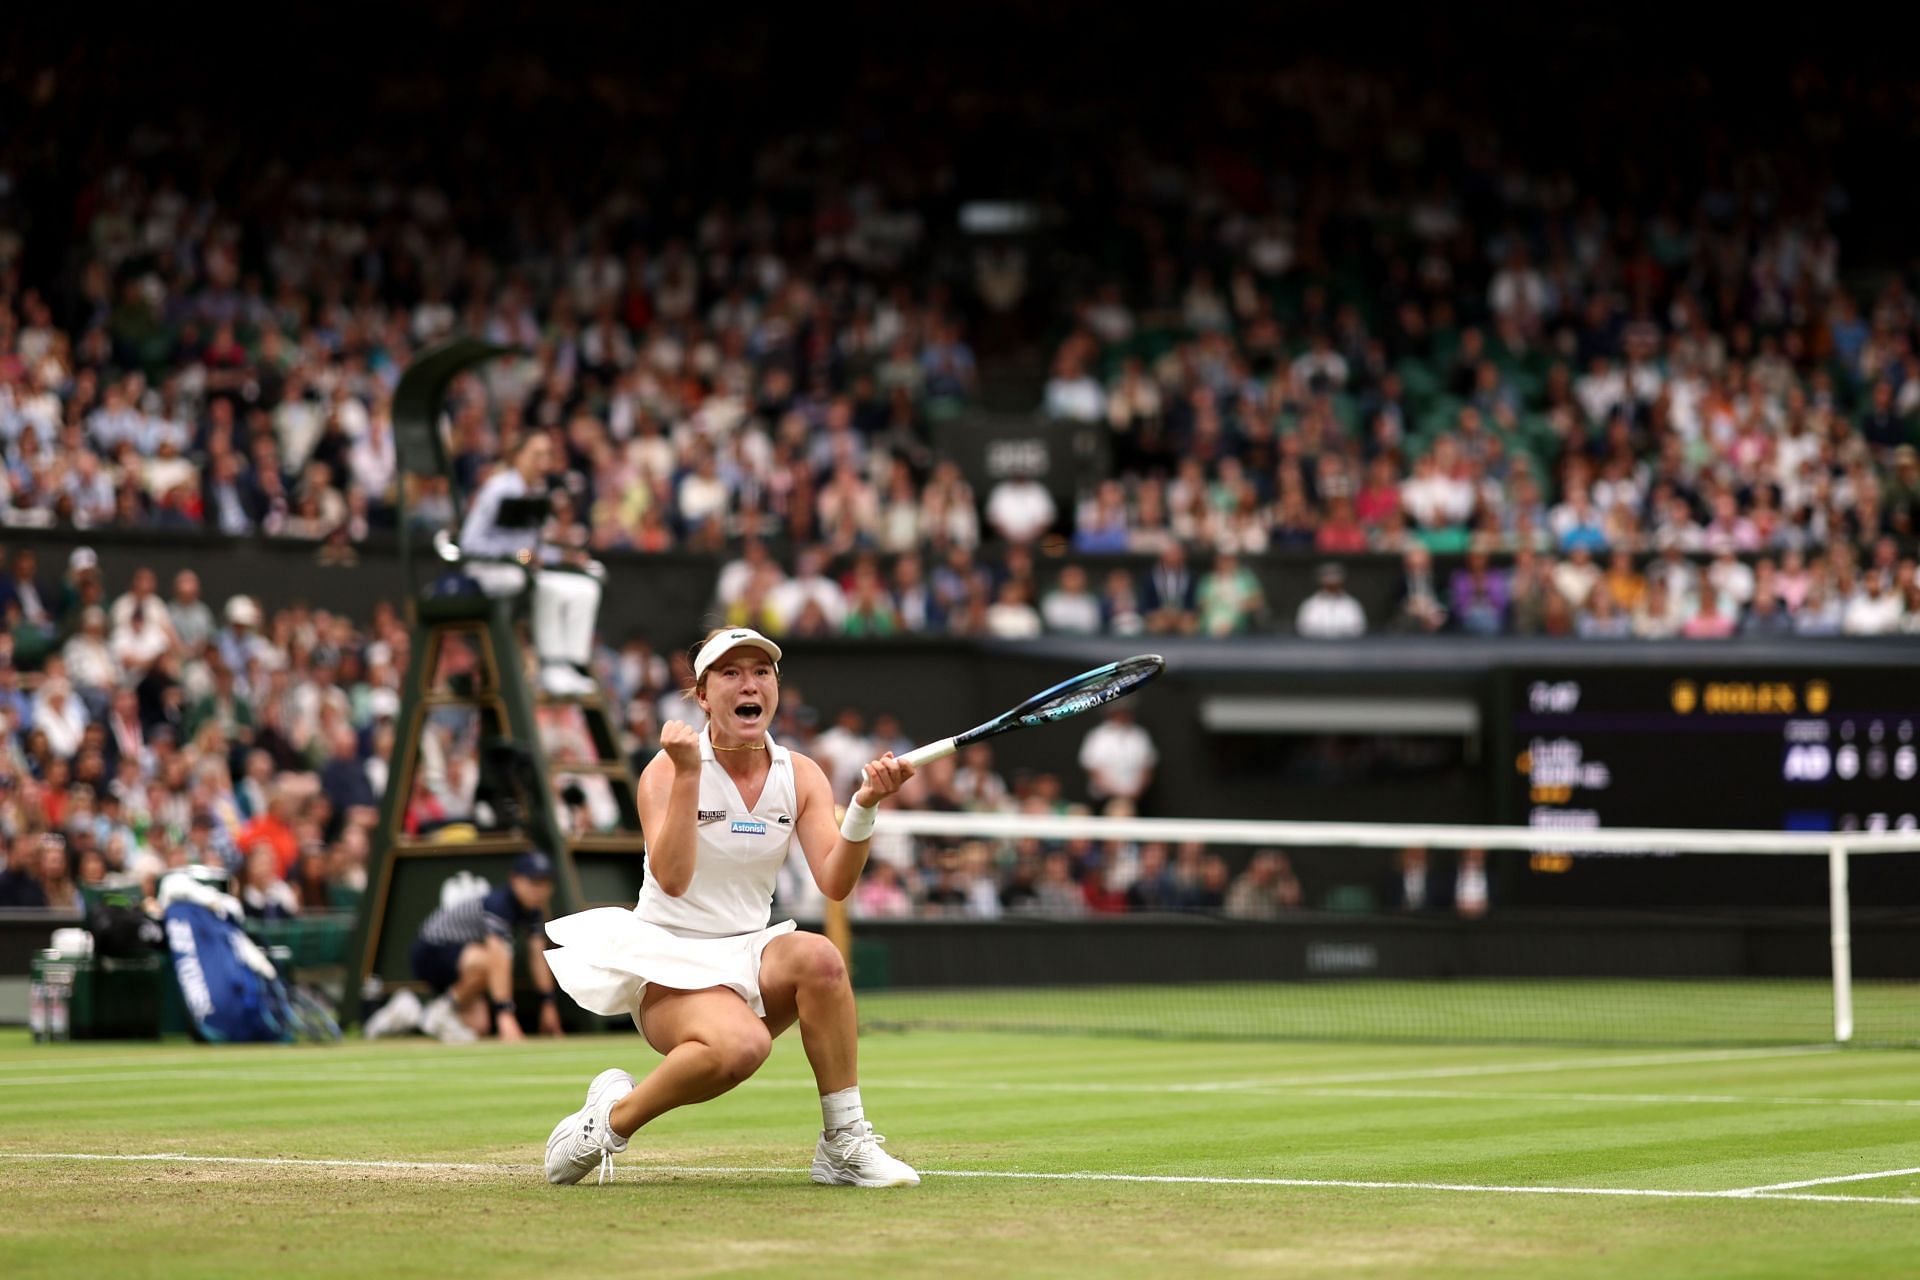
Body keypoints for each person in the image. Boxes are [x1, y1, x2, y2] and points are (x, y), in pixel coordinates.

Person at [539, 627, 921, 1188]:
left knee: (821, 958)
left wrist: (865, 805)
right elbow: (671, 880)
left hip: (750, 953)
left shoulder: (802, 774)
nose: (750, 684)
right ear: (703, 694)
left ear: (776, 687)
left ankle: (844, 1143)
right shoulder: (666, 771)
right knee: (745, 1046)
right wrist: (692, 772)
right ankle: (609, 1122)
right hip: (670, 962)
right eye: (731, 673)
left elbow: (835, 883)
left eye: (761, 672)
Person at [457, 432, 606, 697]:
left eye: (547, 455)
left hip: (521, 569)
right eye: (536, 454)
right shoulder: (498, 489)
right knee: (538, 585)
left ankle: (569, 666)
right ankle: (549, 666)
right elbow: (469, 543)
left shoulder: (538, 492)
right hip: (488, 570)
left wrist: (563, 556)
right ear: (519, 457)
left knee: (585, 588)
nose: (542, 462)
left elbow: (532, 551)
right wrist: (518, 555)